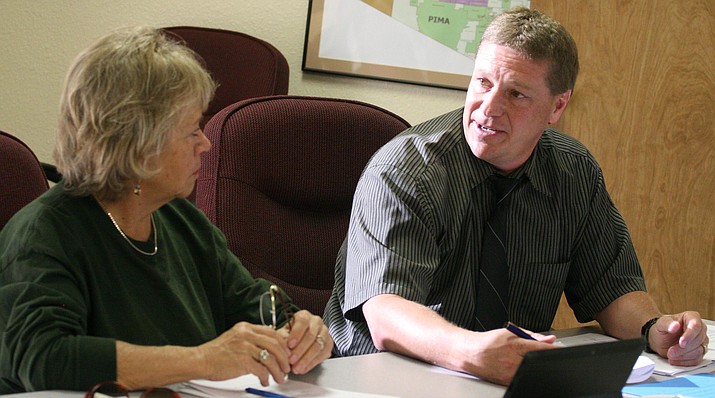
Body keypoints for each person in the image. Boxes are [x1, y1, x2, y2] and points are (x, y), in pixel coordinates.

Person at [324, 6, 708, 386]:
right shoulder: (405, 170)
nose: (488, 110)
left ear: (558, 105)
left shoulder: (573, 172)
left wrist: (655, 328)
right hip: (384, 379)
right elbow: (385, 312)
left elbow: (611, 287)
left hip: (508, 380)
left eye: (516, 94)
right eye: (483, 83)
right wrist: (473, 352)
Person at [0, 26, 333, 394]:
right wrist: (205, 359)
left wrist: (303, 332)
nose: (206, 144)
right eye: (192, 130)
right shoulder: (44, 235)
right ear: (138, 144)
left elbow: (251, 303)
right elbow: (44, 357)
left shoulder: (180, 220)